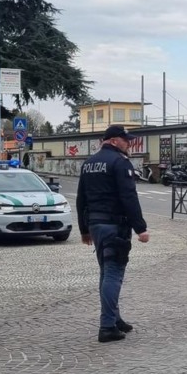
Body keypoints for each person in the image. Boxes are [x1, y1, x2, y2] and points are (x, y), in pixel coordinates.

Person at [77, 125, 150, 342]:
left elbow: (81, 198)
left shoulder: (89, 163)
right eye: (126, 140)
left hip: (96, 225)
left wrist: (84, 229)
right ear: (114, 140)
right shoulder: (120, 162)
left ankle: (115, 318)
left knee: (106, 271)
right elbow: (129, 197)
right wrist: (141, 228)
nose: (129, 143)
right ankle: (107, 326)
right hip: (114, 226)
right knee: (113, 273)